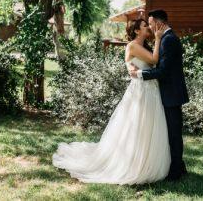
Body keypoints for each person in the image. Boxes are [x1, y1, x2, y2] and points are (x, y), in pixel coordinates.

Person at [52, 18, 171, 185]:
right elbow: (153, 60)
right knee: (137, 126)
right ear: (137, 31)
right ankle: (132, 163)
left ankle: (146, 161)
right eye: (145, 26)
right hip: (141, 91)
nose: (148, 29)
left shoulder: (143, 45)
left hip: (150, 90)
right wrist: (158, 39)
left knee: (149, 125)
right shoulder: (133, 45)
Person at [129, 9, 189, 181]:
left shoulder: (168, 40)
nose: (149, 26)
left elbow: (163, 71)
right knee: (171, 132)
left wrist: (140, 74)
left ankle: (176, 170)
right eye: (147, 24)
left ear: (158, 22)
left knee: (174, 133)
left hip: (171, 93)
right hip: (167, 92)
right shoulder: (164, 38)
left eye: (150, 23)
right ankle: (178, 166)